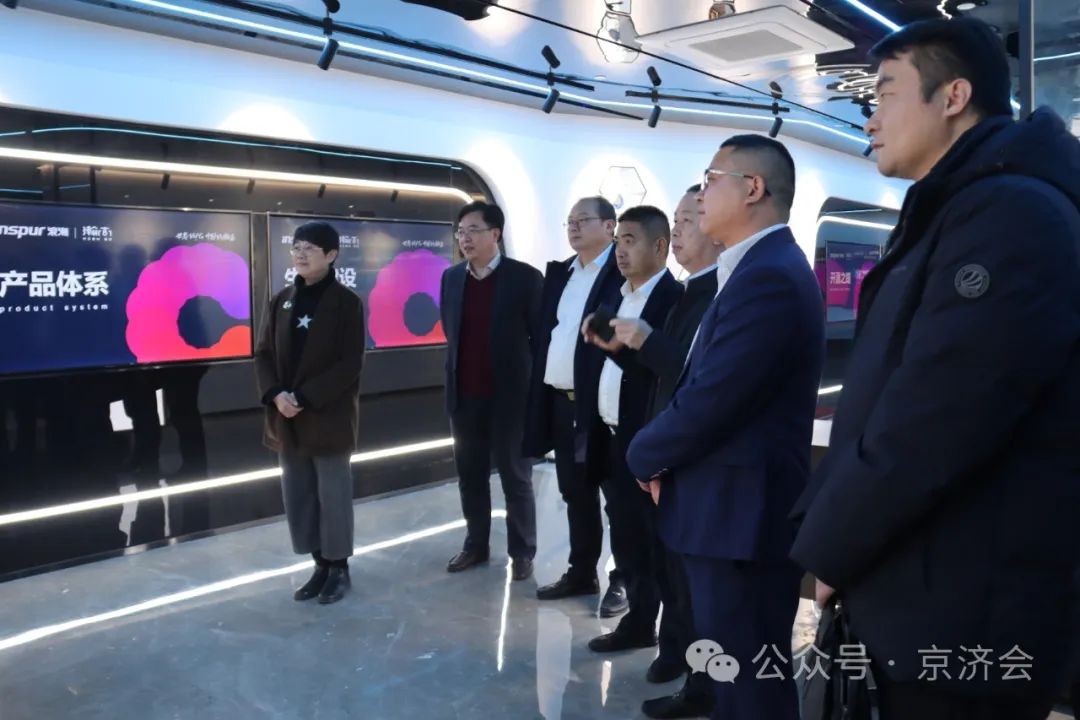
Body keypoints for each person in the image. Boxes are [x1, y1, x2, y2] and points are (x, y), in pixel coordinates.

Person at [789, 18, 1080, 720]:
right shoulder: (961, 206)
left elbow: (939, 416)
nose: (870, 116)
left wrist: (832, 548)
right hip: (928, 585)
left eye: (886, 93)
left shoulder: (1012, 214)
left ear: (953, 96)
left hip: (964, 607)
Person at [626, 135, 824, 720]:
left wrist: (643, 455)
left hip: (742, 516)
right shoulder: (753, 269)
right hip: (727, 510)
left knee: (751, 683)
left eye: (711, 179)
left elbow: (712, 399)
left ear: (753, 188)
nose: (701, 193)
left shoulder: (769, 276)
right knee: (733, 676)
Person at [616, 186, 722, 719]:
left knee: (699, 585)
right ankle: (681, 658)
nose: (678, 230)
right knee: (671, 570)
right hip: (668, 459)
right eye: (676, 220)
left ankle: (704, 684)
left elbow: (700, 379)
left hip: (697, 464)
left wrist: (645, 341)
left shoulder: (723, 292)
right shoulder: (688, 292)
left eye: (688, 219)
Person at [580, 205, 682, 654]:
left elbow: (668, 372)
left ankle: (672, 639)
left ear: (659, 246)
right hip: (611, 434)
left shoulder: (674, 299)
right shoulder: (618, 295)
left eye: (630, 241)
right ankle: (639, 623)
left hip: (647, 440)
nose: (620, 251)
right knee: (625, 536)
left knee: (657, 544)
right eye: (618, 241)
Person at [524, 196, 628, 616]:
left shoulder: (621, 273)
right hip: (561, 402)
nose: (574, 227)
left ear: (609, 226)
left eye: (583, 220)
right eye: (570, 220)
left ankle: (623, 579)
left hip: (601, 406)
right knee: (574, 491)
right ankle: (582, 570)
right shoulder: (563, 274)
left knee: (616, 497)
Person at [255, 221, 366, 605]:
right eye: (296, 247)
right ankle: (319, 564)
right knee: (299, 494)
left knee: (333, 494)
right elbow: (263, 353)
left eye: (310, 248)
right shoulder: (282, 299)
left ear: (331, 255)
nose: (300, 254)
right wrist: (275, 395)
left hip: (326, 414)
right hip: (286, 415)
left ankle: (339, 567)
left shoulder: (346, 302)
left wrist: (304, 396)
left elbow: (350, 363)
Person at [440, 201, 542, 582]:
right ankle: (476, 545)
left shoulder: (525, 278)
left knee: (516, 477)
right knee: (470, 476)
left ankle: (522, 551)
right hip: (464, 397)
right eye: (461, 232)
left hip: (510, 400)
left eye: (473, 230)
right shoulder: (451, 278)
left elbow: (540, 339)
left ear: (495, 234)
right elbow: (452, 333)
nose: (465, 239)